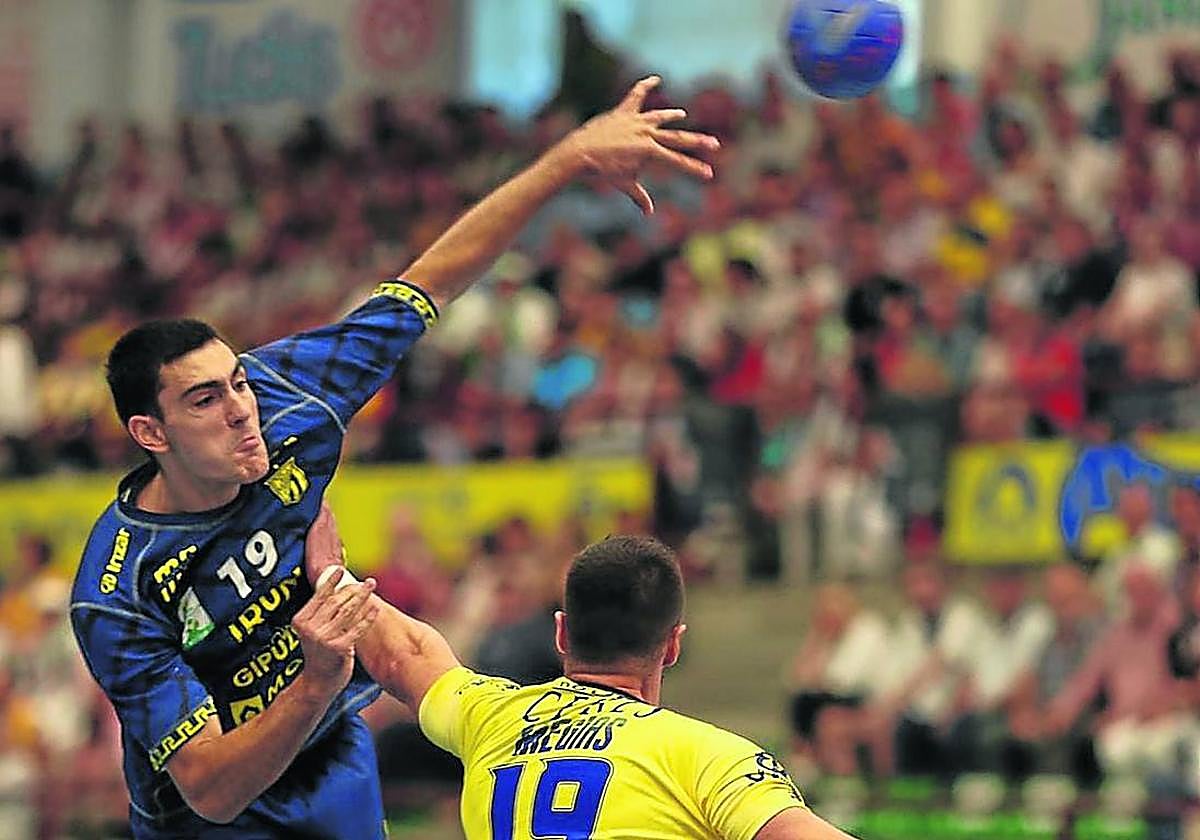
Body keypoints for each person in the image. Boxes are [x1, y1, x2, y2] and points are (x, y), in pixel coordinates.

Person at [69, 76, 719, 838]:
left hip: (335, 759)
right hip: (218, 816)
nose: (243, 411)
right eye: (205, 400)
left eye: (238, 382)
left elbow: (428, 283)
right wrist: (318, 677)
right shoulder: (118, 591)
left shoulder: (290, 397)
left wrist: (567, 161)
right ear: (152, 434)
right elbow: (210, 787)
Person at [305, 505, 856, 839]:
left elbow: (406, 655)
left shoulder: (490, 718)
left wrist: (328, 571)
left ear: (562, 633)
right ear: (671, 647)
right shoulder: (710, 759)